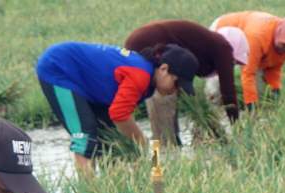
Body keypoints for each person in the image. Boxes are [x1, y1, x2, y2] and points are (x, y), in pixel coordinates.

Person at [35, 41, 200, 171]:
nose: (176, 90)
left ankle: (112, 188)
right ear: (164, 69)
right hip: (59, 69)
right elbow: (119, 114)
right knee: (85, 134)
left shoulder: (148, 79)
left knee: (109, 136)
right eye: (177, 83)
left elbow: (119, 115)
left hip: (88, 85)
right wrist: (141, 142)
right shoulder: (141, 75)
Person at [122, 19, 245, 124]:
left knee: (162, 105)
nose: (232, 66)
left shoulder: (202, 46)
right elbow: (228, 91)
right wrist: (237, 126)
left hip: (139, 41)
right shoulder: (224, 49)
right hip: (146, 41)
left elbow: (187, 92)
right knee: (163, 103)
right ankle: (161, 149)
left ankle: (165, 147)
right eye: (234, 63)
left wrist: (205, 122)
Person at [209, 12, 285, 109]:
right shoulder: (257, 37)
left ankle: (255, 106)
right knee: (220, 74)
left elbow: (274, 67)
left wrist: (275, 91)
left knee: (259, 88)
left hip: (252, 35)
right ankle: (214, 106)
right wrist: (251, 105)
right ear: (278, 34)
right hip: (223, 30)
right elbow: (248, 73)